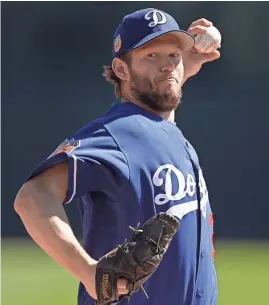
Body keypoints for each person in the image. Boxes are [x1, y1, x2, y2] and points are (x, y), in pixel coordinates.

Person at [14, 7, 221, 305]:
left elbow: (162, 89)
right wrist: (88, 272)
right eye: (151, 55)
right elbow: (32, 197)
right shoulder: (116, 133)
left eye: (173, 55)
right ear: (122, 70)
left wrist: (182, 64)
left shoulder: (164, 127)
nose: (167, 65)